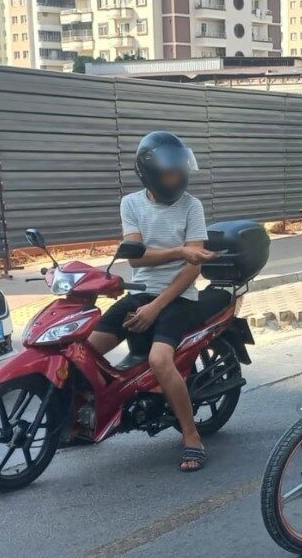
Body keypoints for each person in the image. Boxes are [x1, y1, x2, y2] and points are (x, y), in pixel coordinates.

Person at [88, 131, 216, 473]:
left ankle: (191, 436)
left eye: (180, 171)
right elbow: (137, 258)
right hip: (141, 293)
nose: (178, 179)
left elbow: (193, 268)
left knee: (161, 359)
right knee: (85, 350)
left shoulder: (192, 205)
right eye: (170, 173)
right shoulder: (131, 203)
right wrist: (176, 251)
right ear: (151, 175)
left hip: (180, 298)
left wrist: (156, 307)